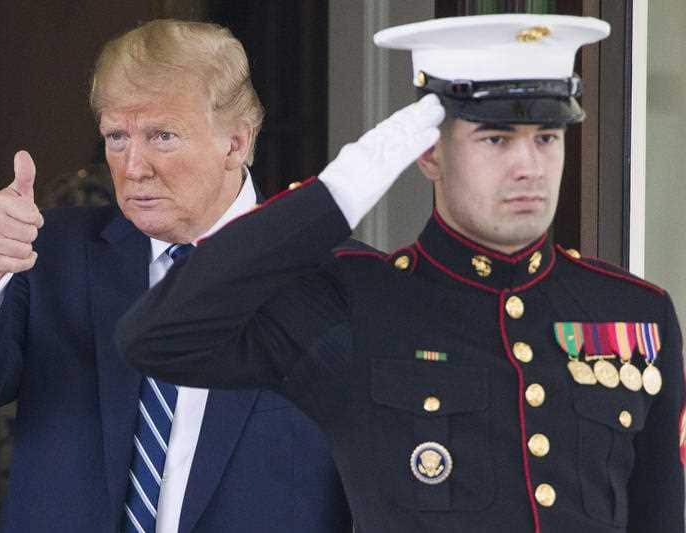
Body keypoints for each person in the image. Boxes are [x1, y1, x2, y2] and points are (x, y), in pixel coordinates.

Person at [117, 14, 685, 533]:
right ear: (429, 154)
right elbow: (158, 337)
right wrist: (335, 195)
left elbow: (662, 512)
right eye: (494, 139)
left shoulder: (635, 313)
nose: (527, 167)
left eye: (547, 139)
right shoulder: (356, 304)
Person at [0, 19, 351, 533]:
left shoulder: (340, 284)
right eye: (116, 136)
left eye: (161, 136)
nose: (133, 166)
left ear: (235, 142)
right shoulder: (50, 253)